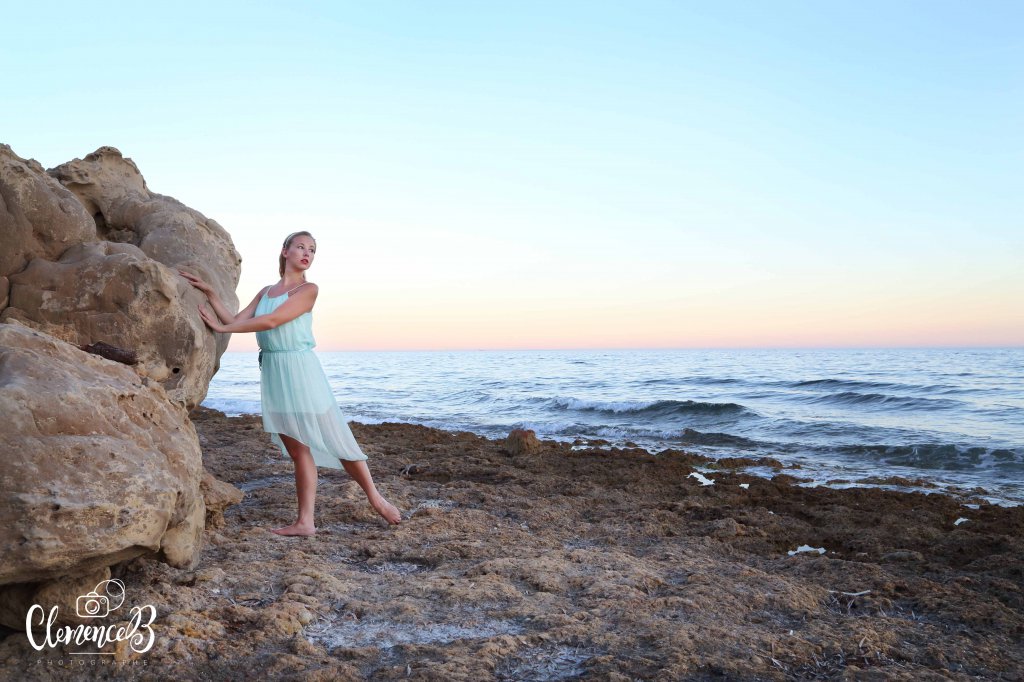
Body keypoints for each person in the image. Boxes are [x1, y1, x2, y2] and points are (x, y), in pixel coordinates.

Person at [179, 231, 401, 535]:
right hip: (274, 370)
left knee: (335, 437)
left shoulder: (308, 290)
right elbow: (234, 319)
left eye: (312, 249)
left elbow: (271, 322)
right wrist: (211, 294)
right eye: (300, 247)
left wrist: (220, 326)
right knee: (298, 450)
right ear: (285, 251)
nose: (306, 253)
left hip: (300, 369)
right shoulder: (266, 292)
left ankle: (376, 499)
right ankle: (305, 521)